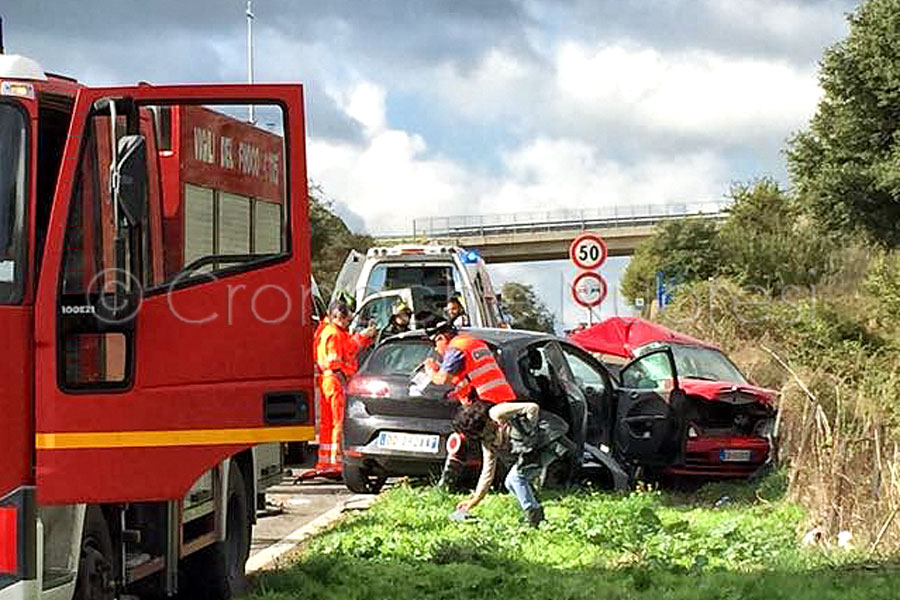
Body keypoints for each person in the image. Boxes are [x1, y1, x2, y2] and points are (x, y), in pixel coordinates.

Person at [422, 322, 545, 526]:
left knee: (515, 478)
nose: (436, 350)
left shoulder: (458, 347)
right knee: (513, 479)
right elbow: (487, 472)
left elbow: (442, 378)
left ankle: (534, 516)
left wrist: (431, 372)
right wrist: (473, 502)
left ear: (442, 338)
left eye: (436, 344)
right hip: (492, 405)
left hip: (501, 411)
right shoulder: (473, 345)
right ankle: (534, 514)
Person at [298, 300, 376, 480]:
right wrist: (345, 381)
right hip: (335, 381)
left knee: (328, 423)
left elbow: (349, 348)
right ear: (338, 317)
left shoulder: (332, 332)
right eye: (347, 318)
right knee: (337, 422)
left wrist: (363, 337)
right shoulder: (333, 334)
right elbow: (335, 363)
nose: (349, 322)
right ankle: (336, 461)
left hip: (329, 381)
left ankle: (327, 462)